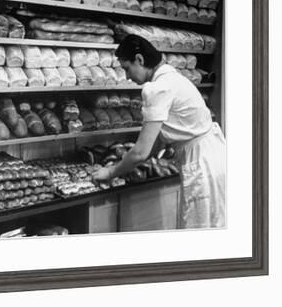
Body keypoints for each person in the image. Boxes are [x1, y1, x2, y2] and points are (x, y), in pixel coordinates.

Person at [93, 34, 226, 229]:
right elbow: (157, 141)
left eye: (127, 69)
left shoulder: (157, 88)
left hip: (201, 164)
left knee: (200, 237)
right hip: (214, 156)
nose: (127, 77)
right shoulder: (173, 78)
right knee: (215, 228)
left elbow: (140, 152)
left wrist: (111, 172)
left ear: (140, 59)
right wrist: (134, 162)